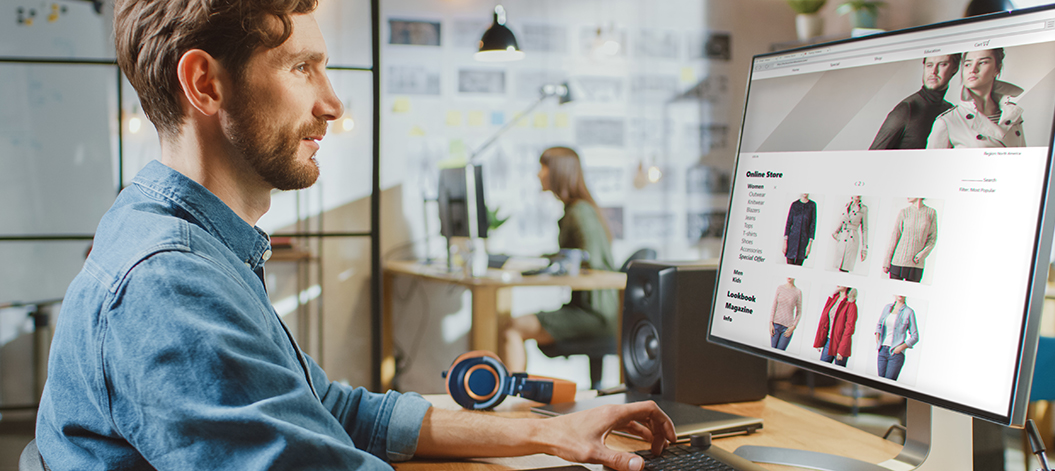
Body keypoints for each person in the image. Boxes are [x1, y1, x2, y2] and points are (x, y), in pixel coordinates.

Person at [35, 2, 675, 470]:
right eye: (302, 67)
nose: (334, 102)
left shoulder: (196, 244)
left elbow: (330, 410)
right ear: (206, 83)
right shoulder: (169, 282)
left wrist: (550, 434)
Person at [499, 147, 619, 373]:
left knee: (513, 328)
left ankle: (511, 397)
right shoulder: (575, 210)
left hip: (596, 313)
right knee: (512, 325)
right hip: (585, 308)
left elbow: (591, 263)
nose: (538, 174)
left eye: (543, 167)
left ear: (558, 171)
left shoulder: (580, 213)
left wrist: (551, 267)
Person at [927, 48, 1026, 148]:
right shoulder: (948, 121)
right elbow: (932, 162)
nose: (973, 70)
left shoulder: (1011, 113)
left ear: (997, 69)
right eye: (968, 64)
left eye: (982, 62)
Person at [870, 54, 961, 150]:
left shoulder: (950, 110)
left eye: (942, 64)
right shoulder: (907, 109)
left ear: (955, 68)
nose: (933, 72)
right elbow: (872, 156)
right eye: (929, 65)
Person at [882, 198, 937, 283]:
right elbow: (895, 237)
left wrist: (922, 254)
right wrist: (887, 261)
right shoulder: (904, 212)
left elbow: (932, 239)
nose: (908, 196)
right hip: (898, 262)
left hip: (916, 264)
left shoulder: (931, 213)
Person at [875, 295, 919, 381]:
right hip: (882, 350)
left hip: (895, 354)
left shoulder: (909, 312)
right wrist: (878, 341)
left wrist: (899, 348)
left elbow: (915, 336)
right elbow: (879, 325)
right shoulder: (887, 307)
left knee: (888, 384)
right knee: (879, 382)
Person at [813, 287, 858, 367]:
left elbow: (849, 329)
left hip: (841, 344)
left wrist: (842, 350)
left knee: (837, 374)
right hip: (828, 341)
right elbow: (824, 321)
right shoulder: (834, 299)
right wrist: (820, 341)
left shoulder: (851, 304)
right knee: (821, 370)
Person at [832, 196, 868, 273]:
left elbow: (864, 229)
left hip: (852, 239)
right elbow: (840, 222)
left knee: (845, 268)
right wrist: (837, 235)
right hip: (843, 238)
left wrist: (864, 248)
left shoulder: (863, 208)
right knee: (837, 267)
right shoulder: (846, 206)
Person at [769, 277, 803, 351]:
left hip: (787, 328)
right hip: (776, 325)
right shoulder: (780, 288)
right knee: (772, 351)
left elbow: (799, 312)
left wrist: (793, 326)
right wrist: (771, 322)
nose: (789, 277)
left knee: (780, 352)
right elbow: (774, 305)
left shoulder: (797, 292)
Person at [784, 194, 816, 266]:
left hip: (803, 242)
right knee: (789, 267)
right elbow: (788, 223)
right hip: (792, 241)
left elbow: (812, 225)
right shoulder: (794, 205)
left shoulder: (812, 205)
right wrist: (785, 241)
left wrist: (809, 244)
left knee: (798, 267)